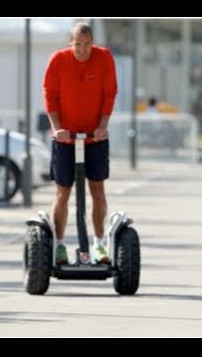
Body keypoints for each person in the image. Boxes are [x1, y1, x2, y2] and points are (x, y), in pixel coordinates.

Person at [43, 22, 118, 265]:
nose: (83, 50)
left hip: (94, 136)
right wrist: (57, 129)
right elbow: (50, 95)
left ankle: (98, 245)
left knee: (97, 189)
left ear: (92, 42)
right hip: (65, 138)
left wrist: (103, 125)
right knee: (63, 192)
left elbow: (109, 93)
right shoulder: (58, 60)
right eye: (78, 45)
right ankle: (60, 245)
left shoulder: (104, 57)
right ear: (70, 42)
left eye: (87, 45)